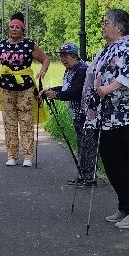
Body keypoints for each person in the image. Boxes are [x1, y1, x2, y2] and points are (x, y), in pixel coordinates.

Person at [80, 9, 129, 228]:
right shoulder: (110, 48)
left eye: (106, 22)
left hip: (122, 115)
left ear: (118, 27)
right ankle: (125, 207)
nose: (103, 26)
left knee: (120, 162)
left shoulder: (127, 45)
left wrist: (108, 89)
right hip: (106, 116)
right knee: (111, 161)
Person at [0, 13, 49, 166]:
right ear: (8, 28)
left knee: (26, 121)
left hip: (26, 88)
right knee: (9, 122)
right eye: (12, 27)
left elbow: (45, 59)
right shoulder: (2, 45)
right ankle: (12, 155)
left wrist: (42, 71)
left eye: (18, 27)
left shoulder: (29, 45)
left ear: (22, 29)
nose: (14, 29)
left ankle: (28, 156)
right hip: (6, 87)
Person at [42, 41, 88, 184]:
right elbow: (66, 87)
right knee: (82, 144)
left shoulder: (81, 70)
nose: (63, 59)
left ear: (74, 56)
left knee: (85, 145)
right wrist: (52, 90)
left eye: (65, 56)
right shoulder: (70, 69)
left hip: (85, 114)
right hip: (77, 114)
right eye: (61, 56)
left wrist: (56, 95)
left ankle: (86, 177)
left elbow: (76, 92)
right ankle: (85, 175)